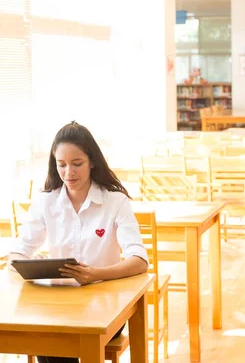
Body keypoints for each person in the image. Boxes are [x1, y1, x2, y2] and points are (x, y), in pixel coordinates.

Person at [8, 121, 149, 363]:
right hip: (57, 306)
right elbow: (17, 254)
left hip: (105, 309)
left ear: (92, 161)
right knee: (47, 334)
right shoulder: (46, 202)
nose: (69, 173)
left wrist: (96, 274)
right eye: (61, 165)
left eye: (77, 164)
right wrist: (30, 264)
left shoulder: (116, 202)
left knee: (59, 338)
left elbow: (140, 261)